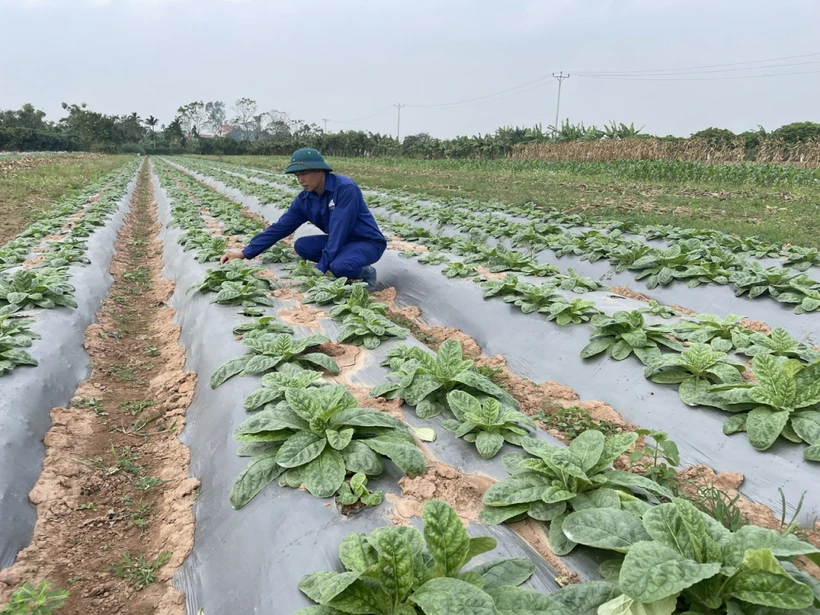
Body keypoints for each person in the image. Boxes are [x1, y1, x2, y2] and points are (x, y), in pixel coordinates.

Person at [220, 148, 386, 290]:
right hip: (344, 243)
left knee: (339, 266)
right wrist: (244, 253)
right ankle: (344, 262)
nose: (301, 180)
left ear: (320, 170)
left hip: (367, 242)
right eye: (297, 176)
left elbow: (338, 232)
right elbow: (279, 228)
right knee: (302, 246)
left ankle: (367, 272)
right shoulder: (305, 200)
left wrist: (320, 269)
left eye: (304, 174)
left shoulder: (344, 188)